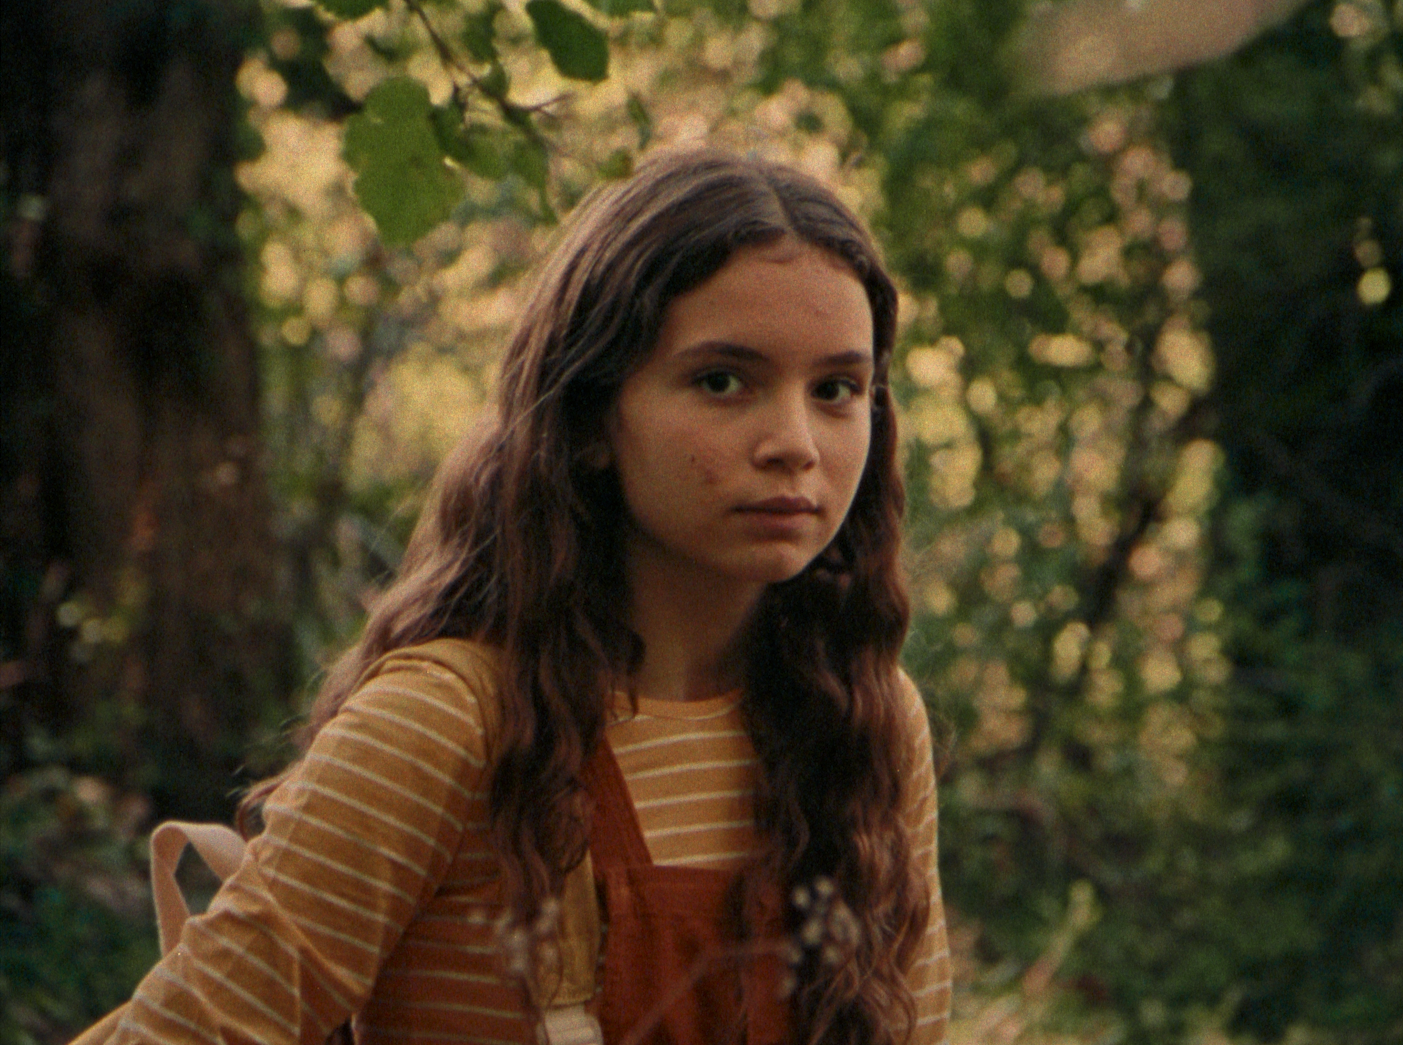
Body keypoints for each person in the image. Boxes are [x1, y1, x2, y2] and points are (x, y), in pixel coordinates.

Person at [92, 148, 952, 1045]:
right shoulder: (446, 723)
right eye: (722, 380)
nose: (794, 442)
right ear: (586, 418)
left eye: (836, 390)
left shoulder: (866, 719)